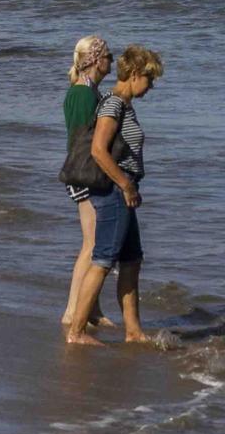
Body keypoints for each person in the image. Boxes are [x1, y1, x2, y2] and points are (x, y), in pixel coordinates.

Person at [64, 44, 163, 346]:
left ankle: (133, 331)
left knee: (132, 261)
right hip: (114, 192)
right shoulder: (113, 104)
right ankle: (77, 331)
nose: (152, 86)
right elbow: (98, 151)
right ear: (134, 74)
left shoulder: (121, 103)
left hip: (125, 191)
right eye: (150, 79)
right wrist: (126, 184)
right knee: (103, 260)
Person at [60, 35, 112, 337]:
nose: (112, 62)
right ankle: (72, 310)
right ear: (94, 60)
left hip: (85, 174)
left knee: (93, 243)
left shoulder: (89, 91)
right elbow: (81, 141)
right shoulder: (82, 94)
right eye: (108, 55)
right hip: (83, 175)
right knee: (91, 245)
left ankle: (91, 308)